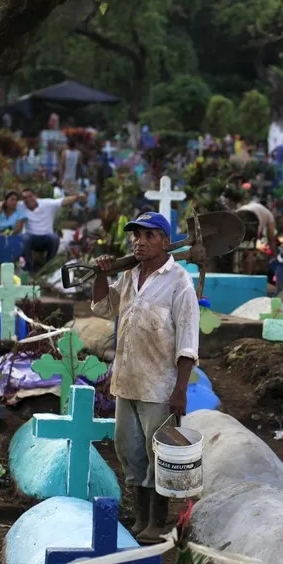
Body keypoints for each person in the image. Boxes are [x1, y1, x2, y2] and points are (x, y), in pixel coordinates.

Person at [90, 212, 199, 542]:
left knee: (158, 455)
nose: (139, 241)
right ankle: (140, 518)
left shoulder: (179, 281)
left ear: (165, 241)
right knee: (129, 451)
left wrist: (180, 390)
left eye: (149, 235)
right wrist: (100, 273)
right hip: (127, 382)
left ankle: (157, 521)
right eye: (136, 235)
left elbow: (188, 340)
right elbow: (103, 307)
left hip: (160, 387)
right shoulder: (129, 276)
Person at [20, 187, 83, 270]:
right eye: (25, 198)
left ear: (35, 196)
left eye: (30, 196)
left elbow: (63, 201)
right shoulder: (21, 205)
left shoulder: (47, 203)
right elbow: (7, 204)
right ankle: (28, 267)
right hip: (30, 238)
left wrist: (77, 197)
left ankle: (48, 266)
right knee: (24, 238)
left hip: (46, 238)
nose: (28, 199)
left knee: (54, 238)